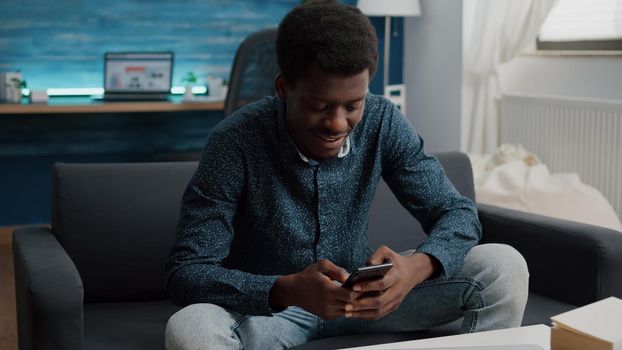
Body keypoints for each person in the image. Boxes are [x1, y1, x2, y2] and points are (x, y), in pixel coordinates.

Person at [164, 1, 529, 349]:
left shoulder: (382, 120)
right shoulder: (234, 142)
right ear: (283, 88)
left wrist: (415, 268)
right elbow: (187, 272)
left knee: (505, 266)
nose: (338, 124)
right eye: (320, 106)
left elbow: (458, 214)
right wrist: (286, 289)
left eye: (353, 105)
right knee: (191, 328)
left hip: (369, 300)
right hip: (271, 312)